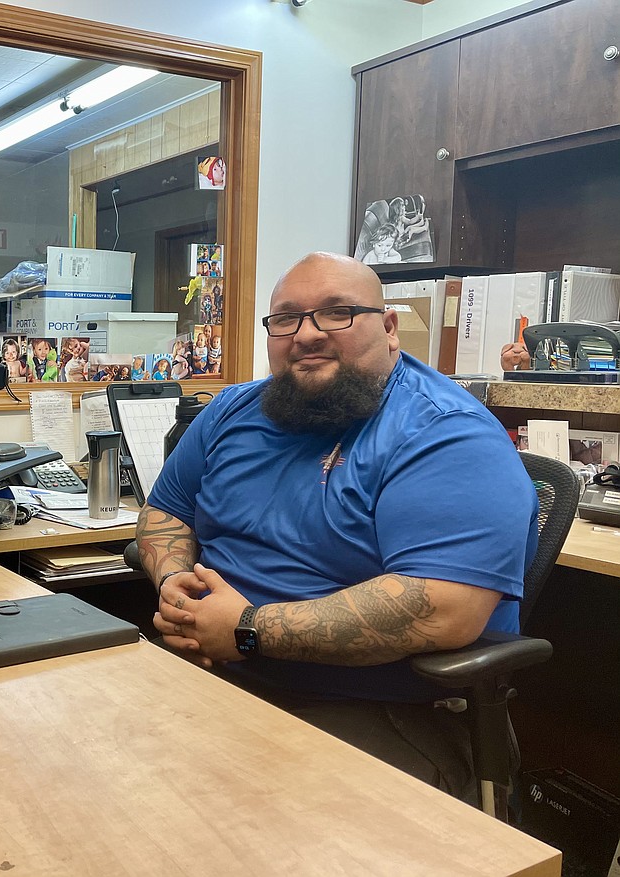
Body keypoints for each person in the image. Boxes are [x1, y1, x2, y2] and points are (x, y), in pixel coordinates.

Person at [138, 252, 538, 802]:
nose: (307, 334)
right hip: (213, 675)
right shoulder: (231, 410)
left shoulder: (444, 435)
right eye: (286, 318)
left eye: (337, 313)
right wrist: (174, 584)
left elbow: (443, 608)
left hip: (375, 708)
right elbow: (167, 511)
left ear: (390, 327)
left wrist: (248, 629)